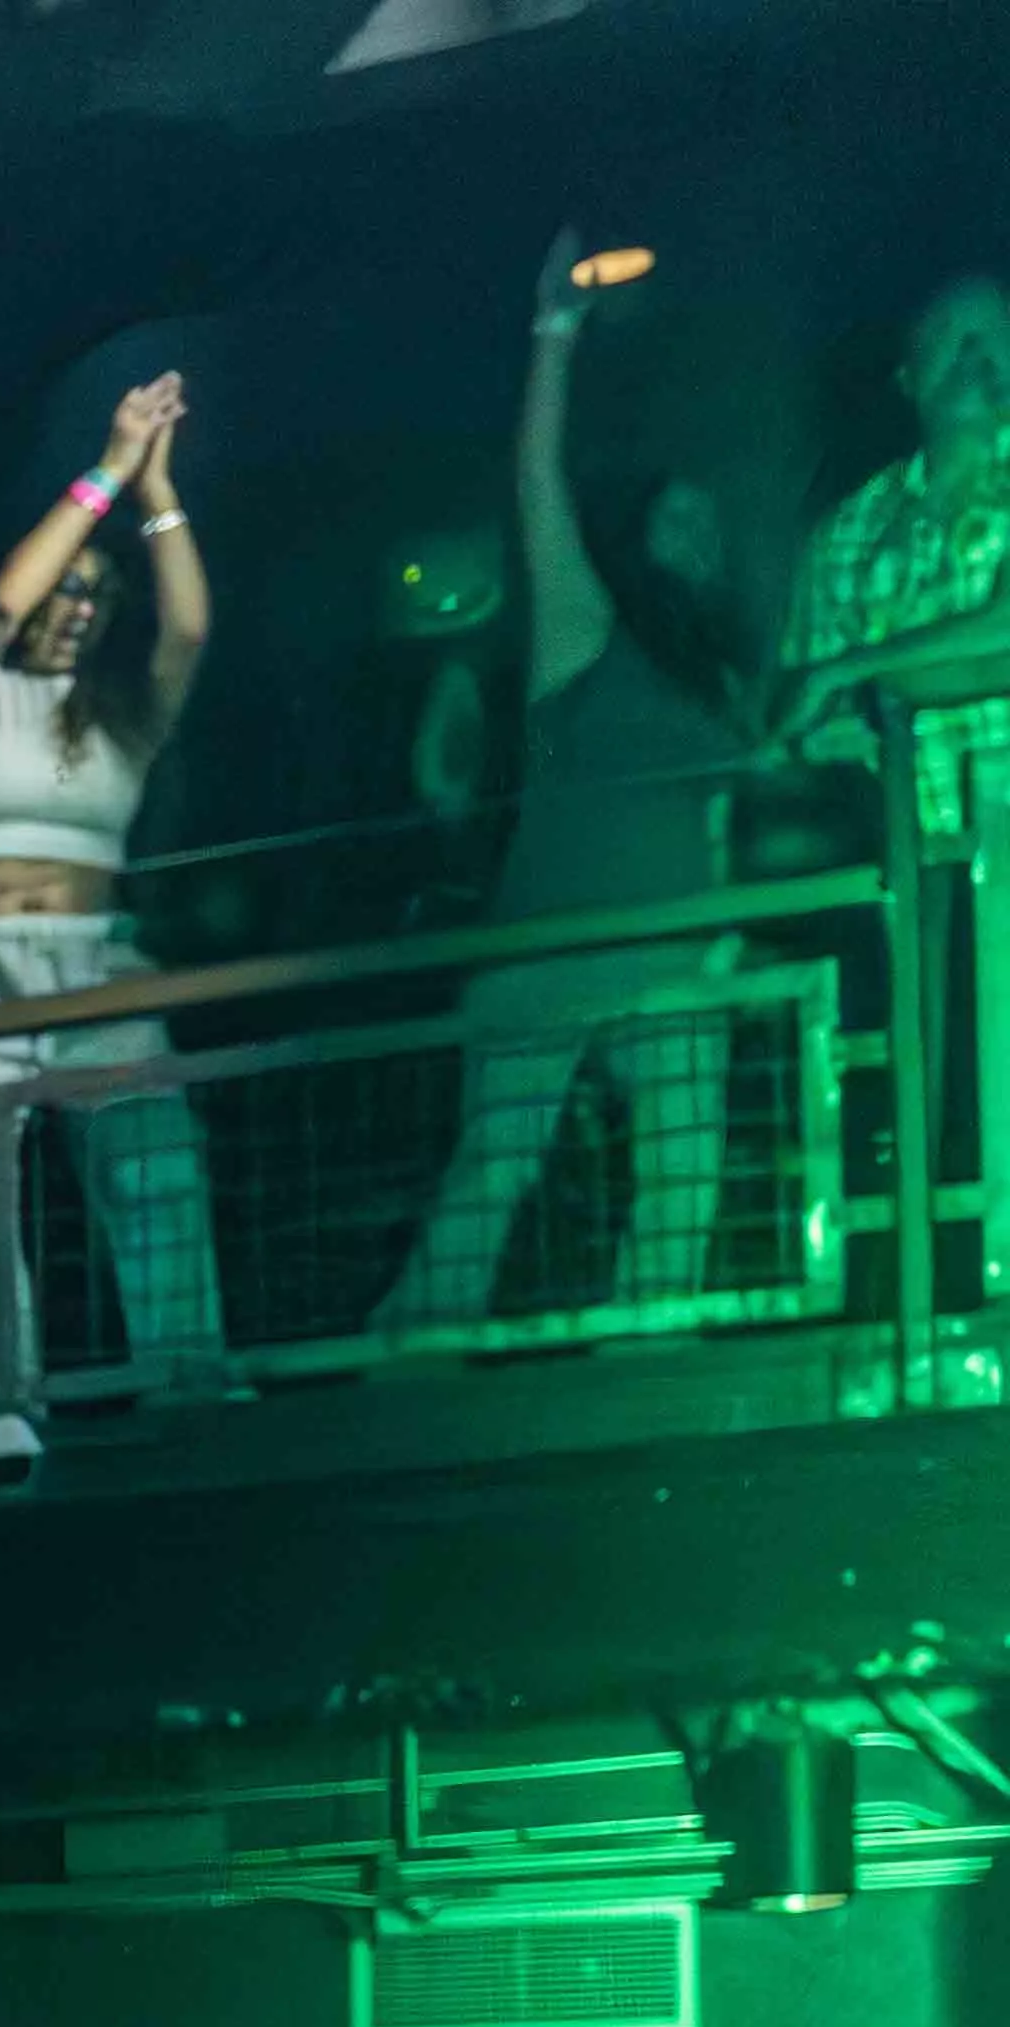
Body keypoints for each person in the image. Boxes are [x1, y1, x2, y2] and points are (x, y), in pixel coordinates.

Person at [395, 231, 766, 1333]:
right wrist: (554, 332)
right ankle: (406, 1361)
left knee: (681, 1173)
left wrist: (725, 931)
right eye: (678, 513)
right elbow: (536, 481)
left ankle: (648, 1356)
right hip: (552, 942)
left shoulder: (723, 683)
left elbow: (717, 821)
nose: (700, 532)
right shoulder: (584, 631)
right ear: (635, 529)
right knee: (495, 1168)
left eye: (711, 517)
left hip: (669, 951)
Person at [0, 375, 224, 1467]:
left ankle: (188, 1379)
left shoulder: (121, 718)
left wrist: (159, 495)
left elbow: (186, 629)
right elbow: (1, 602)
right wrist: (106, 465)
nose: (79, 603)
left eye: (97, 593)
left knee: (153, 1166)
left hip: (96, 962)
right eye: (69, 587)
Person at [777, 266, 1010, 855]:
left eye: (995, 333)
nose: (974, 352)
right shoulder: (844, 532)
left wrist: (852, 671)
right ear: (906, 375)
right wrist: (828, 729)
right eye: (950, 333)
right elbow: (803, 709)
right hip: (915, 875)